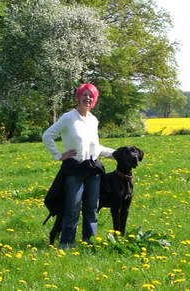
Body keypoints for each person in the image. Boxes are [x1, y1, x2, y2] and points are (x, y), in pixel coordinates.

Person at [42, 83, 114, 249]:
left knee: (91, 209)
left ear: (94, 100)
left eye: (91, 96)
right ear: (78, 97)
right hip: (74, 169)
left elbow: (96, 147)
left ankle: (90, 243)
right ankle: (66, 245)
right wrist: (59, 155)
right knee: (72, 208)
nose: (88, 98)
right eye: (85, 95)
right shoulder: (68, 118)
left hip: (93, 169)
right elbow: (47, 136)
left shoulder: (93, 120)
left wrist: (116, 154)